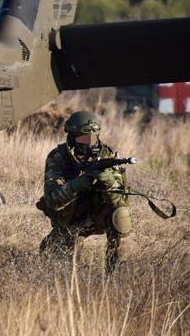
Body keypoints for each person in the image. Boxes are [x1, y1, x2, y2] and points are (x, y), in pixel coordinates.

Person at [37, 111, 132, 273]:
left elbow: (120, 201)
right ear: (72, 137)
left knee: (121, 215)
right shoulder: (58, 157)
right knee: (59, 268)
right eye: (83, 139)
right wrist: (79, 184)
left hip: (98, 215)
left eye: (93, 139)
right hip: (71, 218)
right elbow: (53, 200)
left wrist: (108, 181)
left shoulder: (106, 155)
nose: (89, 144)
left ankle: (114, 274)